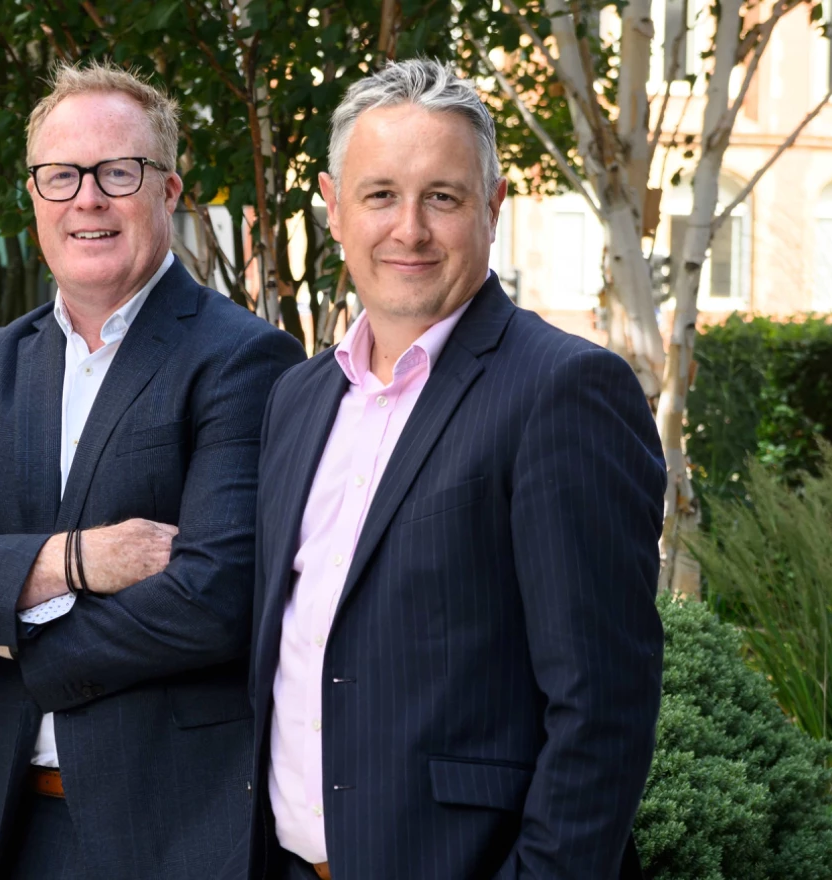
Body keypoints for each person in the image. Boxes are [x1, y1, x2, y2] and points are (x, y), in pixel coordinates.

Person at [0, 63, 304, 880]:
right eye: (60, 175)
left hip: (177, 829)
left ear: (168, 191)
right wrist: (72, 563)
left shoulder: (243, 360)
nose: (86, 198)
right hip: (11, 826)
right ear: (34, 197)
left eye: (117, 172)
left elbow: (213, 601)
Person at [241, 60, 666, 880]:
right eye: (379, 196)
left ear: (493, 208)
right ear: (332, 209)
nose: (409, 229)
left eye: (443, 196)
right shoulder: (297, 400)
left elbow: (603, 710)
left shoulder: (563, 391)